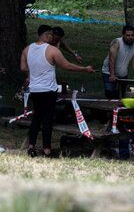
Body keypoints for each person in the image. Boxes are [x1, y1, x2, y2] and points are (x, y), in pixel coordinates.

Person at [20, 25, 96, 158]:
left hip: (34, 90)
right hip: (48, 90)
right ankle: (46, 149)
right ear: (46, 34)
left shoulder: (27, 49)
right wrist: (85, 69)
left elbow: (23, 67)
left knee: (37, 118)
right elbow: (67, 66)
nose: (53, 37)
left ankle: (31, 146)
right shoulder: (52, 50)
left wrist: (34, 70)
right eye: (51, 34)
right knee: (47, 119)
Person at [102, 25, 134, 99]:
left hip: (123, 73)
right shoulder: (116, 42)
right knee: (110, 94)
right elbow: (112, 59)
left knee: (121, 95)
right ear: (123, 35)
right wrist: (112, 75)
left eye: (132, 35)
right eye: (128, 35)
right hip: (108, 73)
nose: (130, 37)